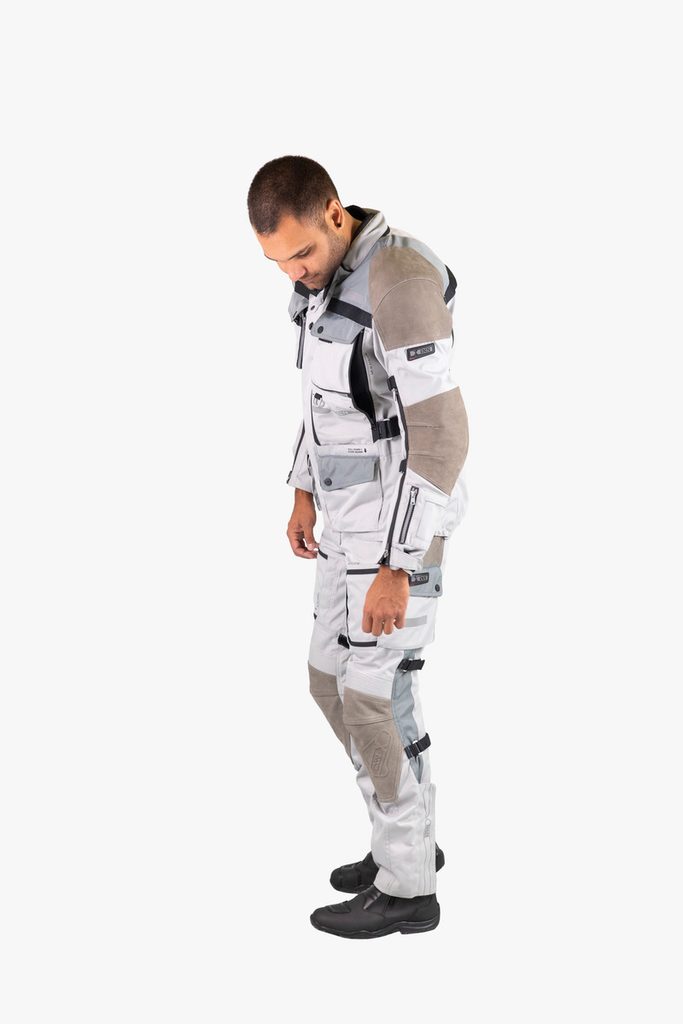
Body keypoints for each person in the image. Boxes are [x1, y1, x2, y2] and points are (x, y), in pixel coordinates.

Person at [247, 156, 469, 939]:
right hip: (342, 523)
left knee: (376, 700)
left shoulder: (397, 282)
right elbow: (323, 404)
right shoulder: (321, 282)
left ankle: (407, 885)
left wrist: (398, 567)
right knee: (328, 682)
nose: (294, 273)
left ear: (335, 214)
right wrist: (301, 490)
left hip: (396, 535)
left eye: (301, 253)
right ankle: (403, 835)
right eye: (278, 262)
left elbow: (441, 436)